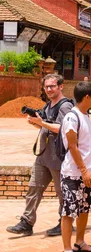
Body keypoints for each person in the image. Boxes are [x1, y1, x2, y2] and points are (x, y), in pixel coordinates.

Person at [6, 74, 74, 237]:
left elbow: (64, 129)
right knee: (34, 188)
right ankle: (27, 222)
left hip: (59, 157)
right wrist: (37, 124)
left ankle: (64, 223)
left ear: (60, 86)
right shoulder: (48, 105)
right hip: (43, 156)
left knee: (62, 193)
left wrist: (42, 123)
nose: (49, 89)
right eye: (46, 87)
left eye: (52, 86)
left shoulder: (65, 107)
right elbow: (47, 128)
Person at [60, 81, 91, 252]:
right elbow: (73, 146)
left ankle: (80, 242)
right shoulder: (72, 117)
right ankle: (67, 248)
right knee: (69, 211)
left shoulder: (85, 116)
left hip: (86, 172)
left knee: (84, 208)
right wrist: (83, 171)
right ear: (87, 96)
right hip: (72, 174)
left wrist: (88, 171)